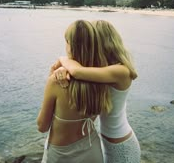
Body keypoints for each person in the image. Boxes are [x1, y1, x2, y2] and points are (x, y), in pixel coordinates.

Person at [54, 20, 141, 163]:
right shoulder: (103, 69)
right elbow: (79, 72)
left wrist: (62, 59)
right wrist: (63, 69)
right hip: (106, 141)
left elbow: (77, 71)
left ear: (102, 41)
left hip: (121, 145)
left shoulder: (121, 71)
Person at [37, 20, 112, 163]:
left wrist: (53, 71)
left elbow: (42, 126)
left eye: (67, 41)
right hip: (92, 149)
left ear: (70, 45)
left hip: (61, 154)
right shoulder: (104, 77)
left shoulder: (57, 81)